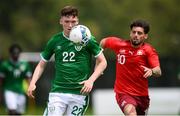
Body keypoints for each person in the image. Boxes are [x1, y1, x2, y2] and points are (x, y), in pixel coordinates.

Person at [27, 5, 107, 116]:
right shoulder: (55, 40)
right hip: (58, 93)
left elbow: (103, 62)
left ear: (78, 21)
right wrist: (32, 83)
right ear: (61, 21)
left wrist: (91, 80)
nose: (70, 25)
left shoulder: (87, 38)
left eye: (73, 21)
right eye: (67, 21)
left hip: (79, 94)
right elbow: (41, 64)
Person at [100, 19, 162, 116]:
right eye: (134, 32)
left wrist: (151, 71)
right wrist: (99, 61)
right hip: (123, 93)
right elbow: (104, 42)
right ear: (130, 33)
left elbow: (158, 71)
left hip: (142, 96)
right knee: (131, 113)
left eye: (139, 33)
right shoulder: (120, 45)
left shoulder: (148, 50)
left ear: (145, 36)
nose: (136, 35)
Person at [0, 44, 32, 115]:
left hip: (20, 91)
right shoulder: (5, 65)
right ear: (11, 53)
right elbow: (1, 80)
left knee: (18, 113)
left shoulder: (25, 65)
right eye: (14, 53)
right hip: (9, 90)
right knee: (12, 110)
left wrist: (30, 88)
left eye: (17, 53)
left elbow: (28, 78)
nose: (16, 55)